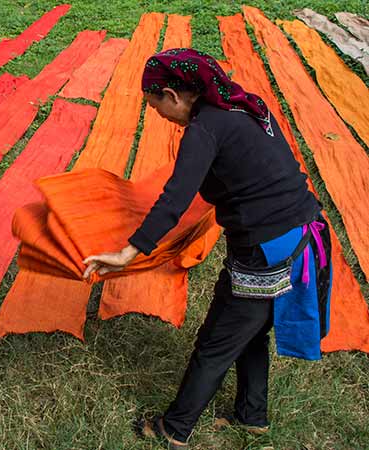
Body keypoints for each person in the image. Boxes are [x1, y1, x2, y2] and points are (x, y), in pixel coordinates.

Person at [81, 49, 332, 449]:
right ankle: (252, 416)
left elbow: (174, 198)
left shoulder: (205, 128)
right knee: (250, 332)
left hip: (266, 251)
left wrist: (128, 253)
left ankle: (174, 428)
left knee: (215, 343)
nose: (159, 114)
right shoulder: (245, 107)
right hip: (306, 237)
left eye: (156, 105)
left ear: (173, 94)